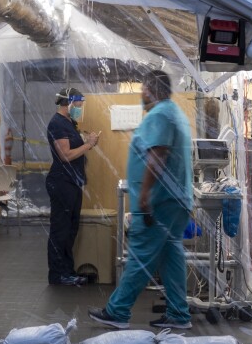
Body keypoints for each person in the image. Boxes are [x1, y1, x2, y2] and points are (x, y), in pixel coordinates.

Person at [89, 70, 193, 329]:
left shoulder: (159, 114)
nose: (140, 94)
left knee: (139, 256)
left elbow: (157, 155)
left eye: (142, 89)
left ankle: (118, 311)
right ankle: (179, 314)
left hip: (159, 202)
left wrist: (145, 196)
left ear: (149, 89)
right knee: (171, 256)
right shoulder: (173, 112)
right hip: (175, 200)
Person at [46, 87, 100, 286]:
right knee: (61, 230)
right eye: (79, 103)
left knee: (70, 229)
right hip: (62, 182)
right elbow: (65, 155)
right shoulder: (57, 124)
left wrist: (84, 140)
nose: (81, 107)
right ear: (69, 103)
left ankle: (67, 271)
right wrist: (89, 144)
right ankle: (57, 274)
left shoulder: (69, 122)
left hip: (72, 182)